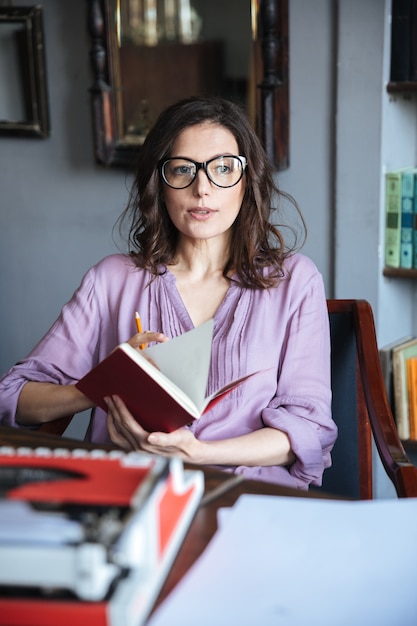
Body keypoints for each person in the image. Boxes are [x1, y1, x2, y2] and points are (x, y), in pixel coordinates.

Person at [0, 97, 337, 489]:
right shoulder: (112, 280)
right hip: (133, 488)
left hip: (247, 493)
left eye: (223, 168)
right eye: (182, 169)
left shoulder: (295, 281)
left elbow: (308, 429)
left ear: (247, 181)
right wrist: (100, 384)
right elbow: (13, 396)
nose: (202, 189)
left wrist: (199, 453)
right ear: (160, 183)